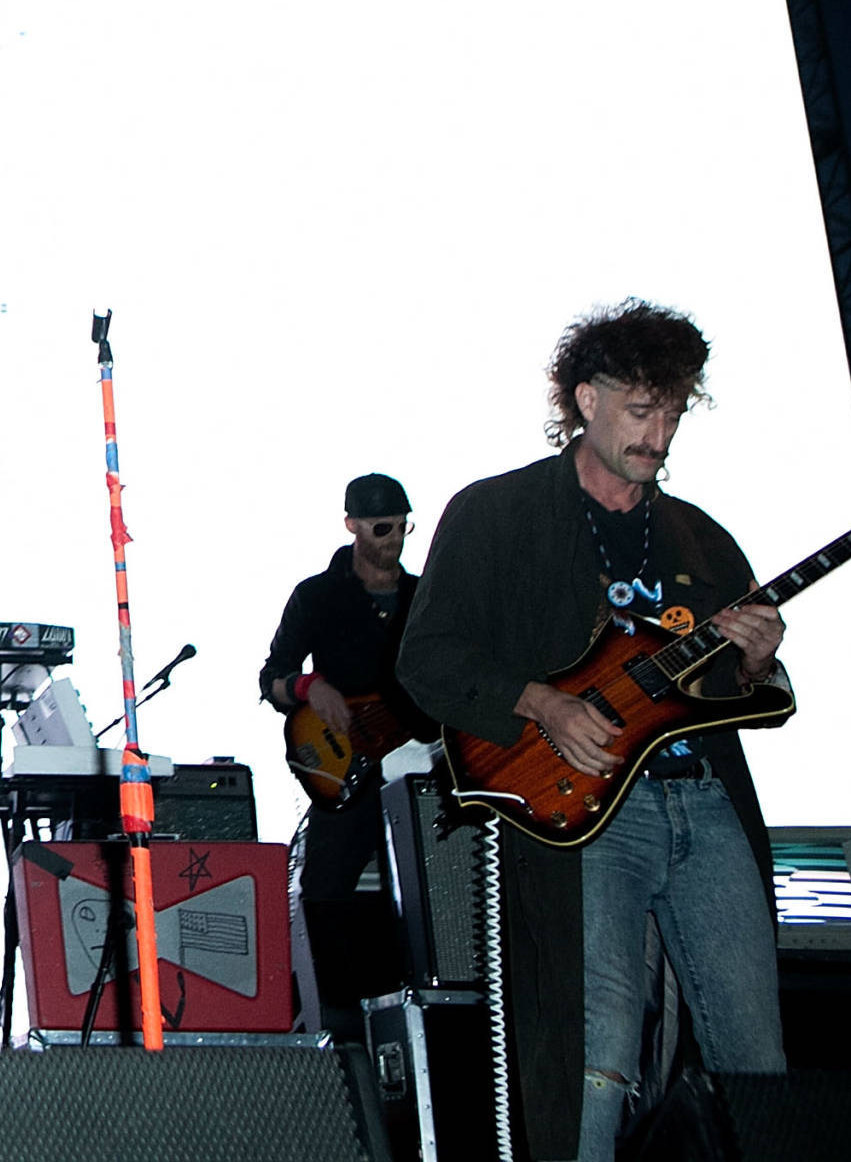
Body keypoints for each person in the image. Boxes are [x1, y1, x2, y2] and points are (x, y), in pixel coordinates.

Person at [396, 300, 788, 1162]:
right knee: (594, 1049)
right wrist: (543, 702)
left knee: (755, 1054)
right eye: (642, 410)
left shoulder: (703, 539)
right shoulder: (497, 513)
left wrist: (756, 663)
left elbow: (750, 692)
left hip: (704, 803)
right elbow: (426, 658)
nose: (660, 432)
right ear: (585, 400)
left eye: (675, 410)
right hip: (586, 813)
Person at [259, 471, 435, 1027]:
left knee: (432, 890)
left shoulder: (426, 599)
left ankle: (420, 1010)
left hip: (419, 765)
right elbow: (273, 678)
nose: (394, 539)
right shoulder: (317, 596)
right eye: (382, 526)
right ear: (352, 526)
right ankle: (332, 1024)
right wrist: (312, 688)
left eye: (403, 526)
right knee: (324, 893)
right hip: (347, 770)